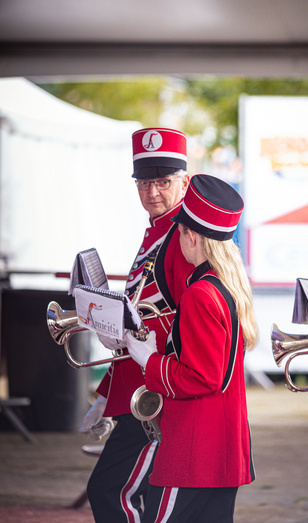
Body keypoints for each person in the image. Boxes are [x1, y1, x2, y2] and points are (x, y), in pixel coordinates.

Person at [125, 174, 258, 523]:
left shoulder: (200, 293)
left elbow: (202, 378)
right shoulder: (224, 285)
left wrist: (149, 359)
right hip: (220, 453)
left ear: (192, 235)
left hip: (193, 453)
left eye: (180, 232)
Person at [80, 127, 194, 523]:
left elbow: (188, 319)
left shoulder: (184, 236)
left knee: (113, 493)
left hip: (158, 393)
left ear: (185, 181)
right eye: (144, 182)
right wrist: (105, 392)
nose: (152, 193)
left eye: (163, 182)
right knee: (135, 497)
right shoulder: (155, 234)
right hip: (139, 387)